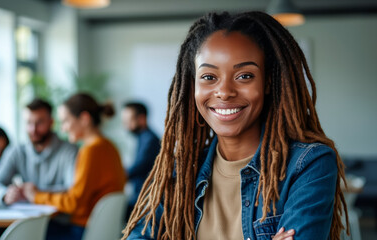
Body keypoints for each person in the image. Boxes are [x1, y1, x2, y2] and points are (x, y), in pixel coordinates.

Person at [122, 11, 348, 240]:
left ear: (268, 82)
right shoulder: (182, 170)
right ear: (192, 85)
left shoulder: (309, 164)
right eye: (209, 77)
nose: (225, 92)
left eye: (244, 76)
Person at [22, 93, 126, 240]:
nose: (63, 129)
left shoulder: (91, 150)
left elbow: (74, 203)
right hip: (99, 230)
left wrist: (36, 196)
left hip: (82, 231)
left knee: (23, 232)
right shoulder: (109, 147)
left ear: (84, 119)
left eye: (65, 121)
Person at [0, 99, 78, 240]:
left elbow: (73, 190)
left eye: (39, 122)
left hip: (57, 222)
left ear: (51, 122)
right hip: (23, 220)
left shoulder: (69, 151)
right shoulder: (16, 151)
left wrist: (35, 192)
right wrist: (5, 195)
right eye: (29, 123)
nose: (33, 129)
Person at [122, 102, 161, 217]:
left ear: (142, 119)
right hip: (141, 195)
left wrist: (119, 174)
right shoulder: (143, 138)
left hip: (145, 198)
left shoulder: (150, 140)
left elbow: (140, 166)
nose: (126, 125)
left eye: (128, 121)